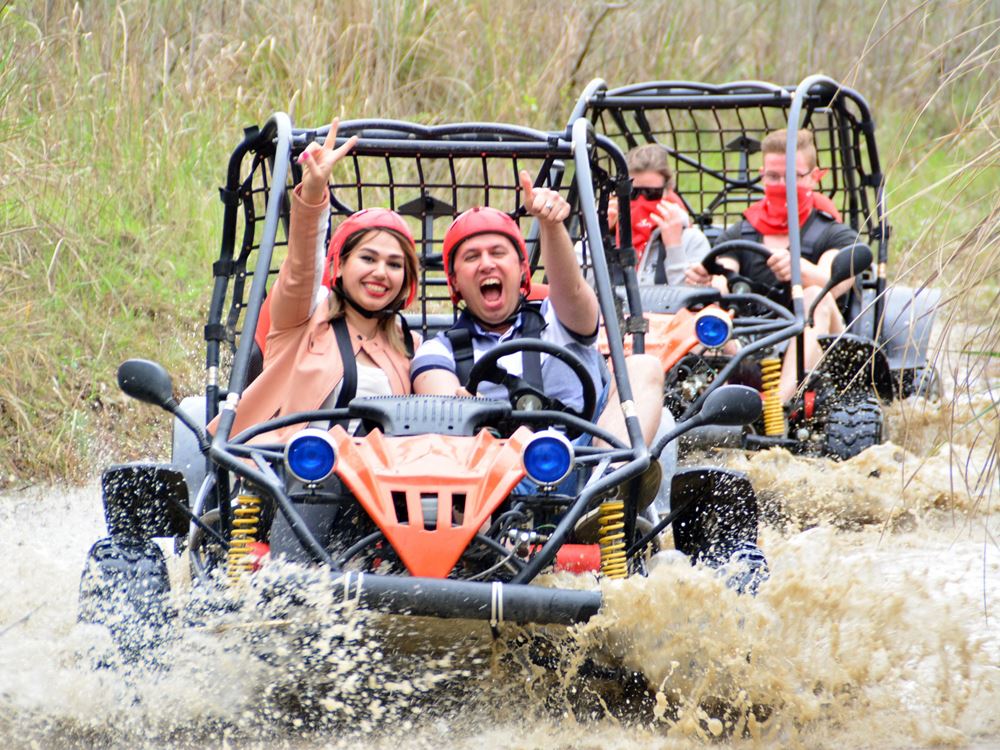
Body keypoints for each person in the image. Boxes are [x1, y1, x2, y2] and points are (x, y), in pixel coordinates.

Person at [214, 118, 420, 443]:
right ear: (339, 266)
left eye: (394, 264)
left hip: (374, 486)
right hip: (288, 479)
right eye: (368, 259)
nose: (381, 272)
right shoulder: (304, 319)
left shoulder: (411, 347)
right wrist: (313, 192)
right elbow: (301, 269)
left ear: (406, 279)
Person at [685, 129, 860, 403]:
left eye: (792, 177)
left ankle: (779, 406)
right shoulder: (740, 233)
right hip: (746, 345)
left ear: (815, 177)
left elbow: (835, 281)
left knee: (817, 296)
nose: (782, 185)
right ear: (762, 174)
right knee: (704, 311)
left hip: (820, 348)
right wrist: (707, 278)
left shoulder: (835, 234)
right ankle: (685, 402)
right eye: (773, 177)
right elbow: (722, 269)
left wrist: (800, 271)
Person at [606, 144, 711, 286]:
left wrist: (674, 247)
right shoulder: (609, 230)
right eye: (633, 193)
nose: (641, 201)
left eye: (651, 193)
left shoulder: (692, 240)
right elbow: (578, 291)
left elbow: (694, 302)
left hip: (667, 308)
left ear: (668, 191)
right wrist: (597, 235)